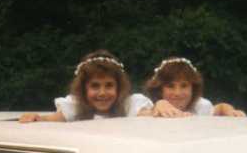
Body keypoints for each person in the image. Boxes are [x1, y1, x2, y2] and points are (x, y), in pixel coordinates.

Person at [19, 50, 152, 122]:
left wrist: (160, 105)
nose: (102, 93)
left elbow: (152, 115)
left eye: (109, 85)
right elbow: (51, 119)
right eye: (95, 86)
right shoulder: (75, 107)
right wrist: (37, 118)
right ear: (83, 89)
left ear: (119, 87)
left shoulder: (129, 105)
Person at [141, 57, 246, 118]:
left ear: (193, 88)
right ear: (160, 89)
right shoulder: (148, 106)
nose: (177, 93)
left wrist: (229, 110)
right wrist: (159, 106)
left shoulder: (199, 107)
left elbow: (220, 107)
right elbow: (142, 114)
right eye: (170, 86)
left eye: (184, 86)